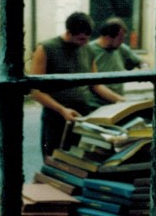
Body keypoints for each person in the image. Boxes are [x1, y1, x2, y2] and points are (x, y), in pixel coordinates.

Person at [30, 12, 125, 158]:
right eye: (81, 39)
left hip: (83, 115)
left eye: (87, 39)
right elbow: (35, 91)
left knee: (81, 159)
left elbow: (95, 84)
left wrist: (121, 100)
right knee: (55, 158)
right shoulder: (46, 48)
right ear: (69, 32)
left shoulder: (88, 49)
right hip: (56, 116)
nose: (84, 43)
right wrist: (62, 110)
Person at [88, 17, 144, 101]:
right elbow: (95, 86)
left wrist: (145, 68)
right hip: (98, 103)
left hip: (118, 101)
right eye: (120, 39)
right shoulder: (89, 50)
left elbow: (140, 62)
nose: (122, 42)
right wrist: (122, 100)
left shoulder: (120, 48)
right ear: (108, 37)